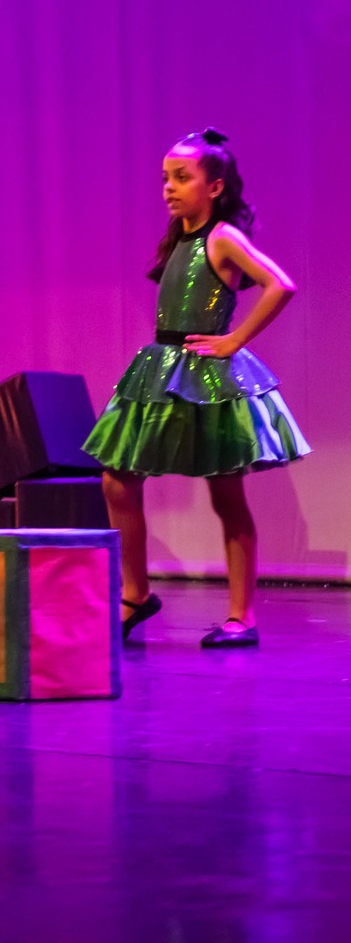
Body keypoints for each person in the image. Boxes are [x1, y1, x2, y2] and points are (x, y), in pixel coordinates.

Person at [84, 129, 305, 648]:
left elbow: (280, 285)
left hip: (207, 377)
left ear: (214, 186)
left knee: (226, 494)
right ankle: (135, 593)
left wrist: (234, 340)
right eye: (166, 178)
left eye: (182, 178)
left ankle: (241, 616)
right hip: (163, 369)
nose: (169, 187)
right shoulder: (179, 238)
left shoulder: (223, 237)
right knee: (117, 477)